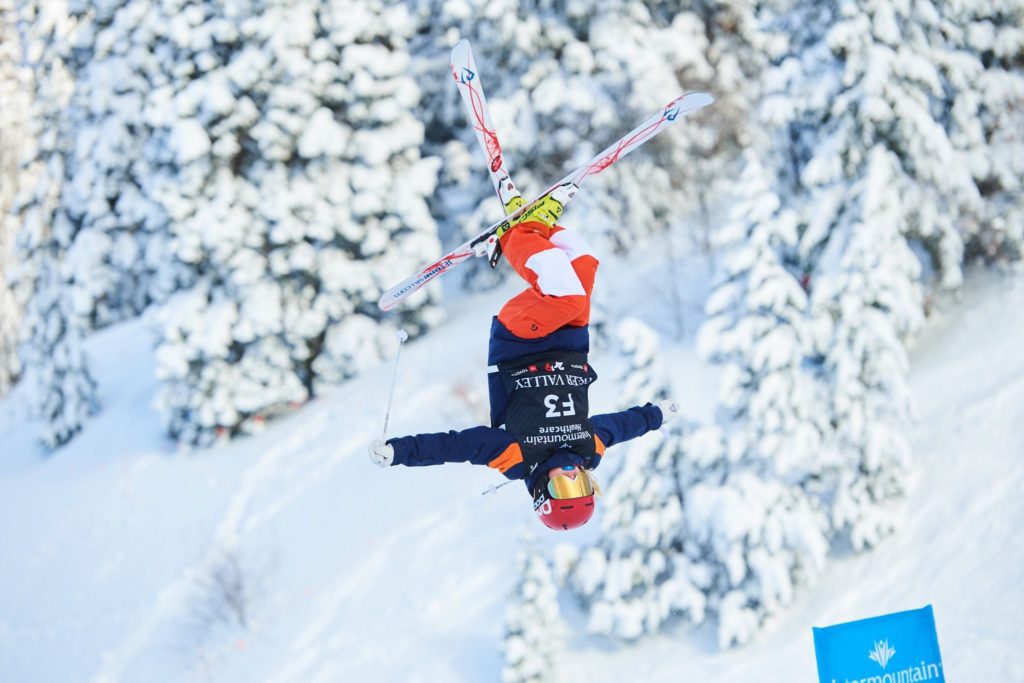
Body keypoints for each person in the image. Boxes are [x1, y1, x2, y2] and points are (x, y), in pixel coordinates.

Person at [369, 193, 679, 530]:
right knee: (584, 261)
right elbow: (622, 426)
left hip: (520, 344)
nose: (572, 475)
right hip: (570, 342)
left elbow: (455, 446)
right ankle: (538, 226)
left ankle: (511, 235)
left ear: (542, 491)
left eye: (564, 487)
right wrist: (656, 415)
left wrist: (400, 452)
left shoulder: (515, 457)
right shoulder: (590, 449)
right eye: (581, 485)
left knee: (567, 295)